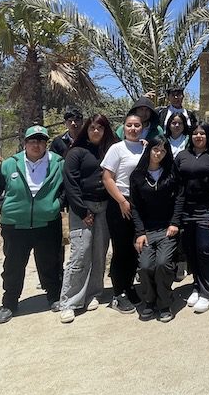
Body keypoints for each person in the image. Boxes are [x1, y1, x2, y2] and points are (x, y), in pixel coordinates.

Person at [0, 124, 64, 324]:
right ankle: (9, 303)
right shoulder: (10, 164)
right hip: (15, 225)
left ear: (46, 144)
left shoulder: (58, 163)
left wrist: (57, 204)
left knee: (50, 262)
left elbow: (67, 188)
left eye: (41, 141)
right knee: (13, 265)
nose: (37, 145)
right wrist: (1, 205)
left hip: (47, 223)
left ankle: (54, 296)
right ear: (25, 143)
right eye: (32, 141)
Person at [58, 114, 117, 323]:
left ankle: (94, 293)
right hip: (82, 209)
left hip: (105, 207)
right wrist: (82, 211)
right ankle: (69, 302)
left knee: (100, 253)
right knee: (80, 253)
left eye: (100, 128)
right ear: (86, 129)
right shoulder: (76, 152)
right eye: (92, 128)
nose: (96, 131)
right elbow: (71, 183)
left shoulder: (110, 150)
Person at [174, 123, 209, 313]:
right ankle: (197, 286)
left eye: (202, 133)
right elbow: (176, 181)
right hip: (187, 210)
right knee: (191, 250)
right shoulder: (182, 156)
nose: (198, 136)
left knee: (205, 249)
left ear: (208, 136)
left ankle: (208, 293)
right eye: (195, 133)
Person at [129, 136, 182, 323]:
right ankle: (150, 301)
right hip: (146, 230)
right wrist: (140, 233)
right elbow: (134, 206)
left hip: (167, 228)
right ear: (149, 150)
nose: (158, 153)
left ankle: (164, 303)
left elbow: (179, 198)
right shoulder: (137, 176)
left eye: (163, 150)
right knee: (145, 266)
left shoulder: (171, 173)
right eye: (155, 149)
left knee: (163, 263)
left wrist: (175, 223)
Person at [101, 113, 146, 314]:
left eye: (137, 125)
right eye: (129, 125)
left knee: (135, 249)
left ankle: (129, 287)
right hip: (120, 203)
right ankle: (118, 293)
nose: (133, 129)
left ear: (142, 128)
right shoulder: (117, 148)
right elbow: (107, 178)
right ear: (123, 127)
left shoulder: (145, 147)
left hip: (140, 204)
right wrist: (121, 201)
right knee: (121, 250)